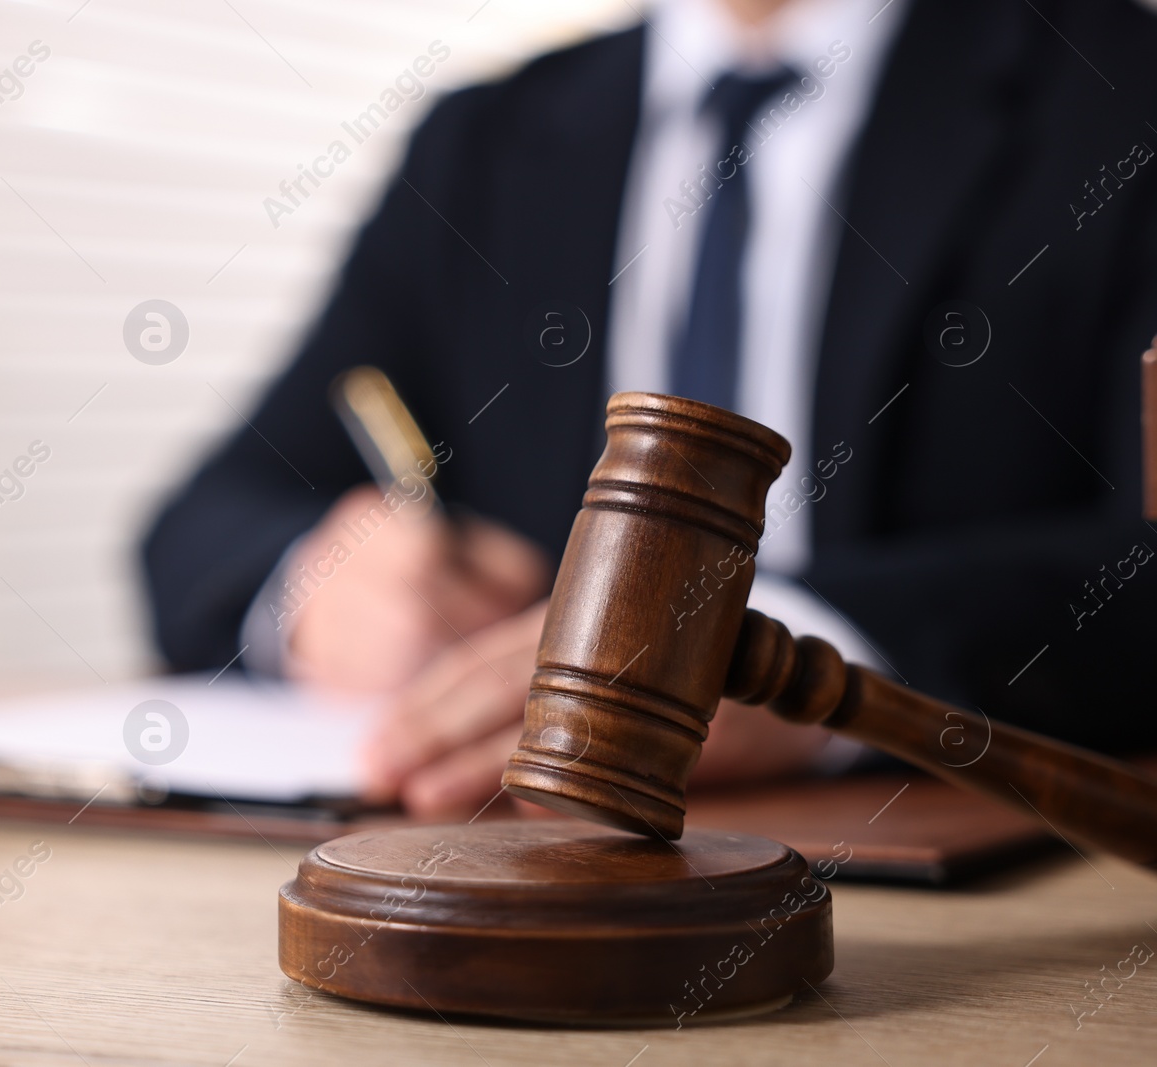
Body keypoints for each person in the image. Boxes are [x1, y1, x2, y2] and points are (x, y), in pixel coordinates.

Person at [144, 0, 1157, 819]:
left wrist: (797, 663)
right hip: (525, 847)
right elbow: (206, 513)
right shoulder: (481, 143)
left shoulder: (1121, 96)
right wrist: (316, 586)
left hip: (966, 858)